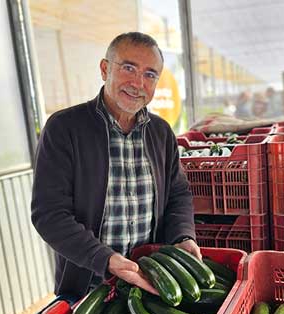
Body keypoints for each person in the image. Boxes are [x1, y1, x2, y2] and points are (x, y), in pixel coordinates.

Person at [31, 32, 199, 298]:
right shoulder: (64, 128)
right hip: (88, 288)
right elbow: (50, 215)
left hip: (151, 282)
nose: (138, 83)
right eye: (129, 68)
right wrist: (105, 259)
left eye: (150, 74)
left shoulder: (161, 132)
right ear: (105, 69)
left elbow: (178, 194)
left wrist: (183, 236)